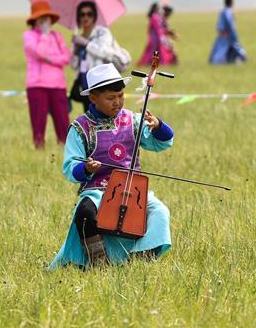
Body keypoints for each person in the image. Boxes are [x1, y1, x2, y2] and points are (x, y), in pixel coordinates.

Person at [50, 63, 175, 269]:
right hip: (97, 190)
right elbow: (71, 167)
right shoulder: (80, 127)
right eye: (110, 98)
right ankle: (98, 262)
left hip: (132, 189)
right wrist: (87, 168)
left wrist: (158, 126)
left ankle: (137, 260)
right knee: (85, 212)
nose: (117, 102)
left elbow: (162, 143)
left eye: (121, 96)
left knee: (160, 212)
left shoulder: (132, 120)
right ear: (93, 98)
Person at [23, 0, 71, 148]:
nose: (45, 21)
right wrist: (44, 35)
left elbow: (66, 58)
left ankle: (66, 148)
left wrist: (49, 59)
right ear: (35, 20)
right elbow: (39, 52)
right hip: (37, 85)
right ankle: (39, 148)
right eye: (41, 18)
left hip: (58, 85)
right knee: (38, 122)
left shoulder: (57, 36)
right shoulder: (29, 36)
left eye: (47, 18)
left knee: (63, 121)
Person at [69, 0, 132, 112]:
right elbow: (74, 65)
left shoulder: (102, 32)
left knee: (107, 113)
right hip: (86, 84)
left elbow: (104, 52)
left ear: (95, 17)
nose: (85, 17)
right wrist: (75, 49)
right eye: (82, 14)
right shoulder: (78, 38)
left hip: (104, 82)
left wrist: (86, 43)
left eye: (89, 14)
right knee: (91, 116)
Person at [208, 0, 247, 64]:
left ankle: (233, 60)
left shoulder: (223, 11)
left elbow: (219, 24)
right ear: (231, 3)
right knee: (226, 49)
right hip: (227, 34)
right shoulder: (228, 12)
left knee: (225, 49)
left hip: (224, 34)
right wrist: (232, 33)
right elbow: (230, 24)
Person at [137, 2, 174, 66]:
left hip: (156, 35)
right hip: (155, 36)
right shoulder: (154, 17)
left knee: (157, 49)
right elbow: (157, 28)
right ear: (155, 8)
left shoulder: (157, 16)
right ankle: (157, 62)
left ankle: (157, 62)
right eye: (158, 7)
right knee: (155, 49)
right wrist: (161, 37)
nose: (160, 8)